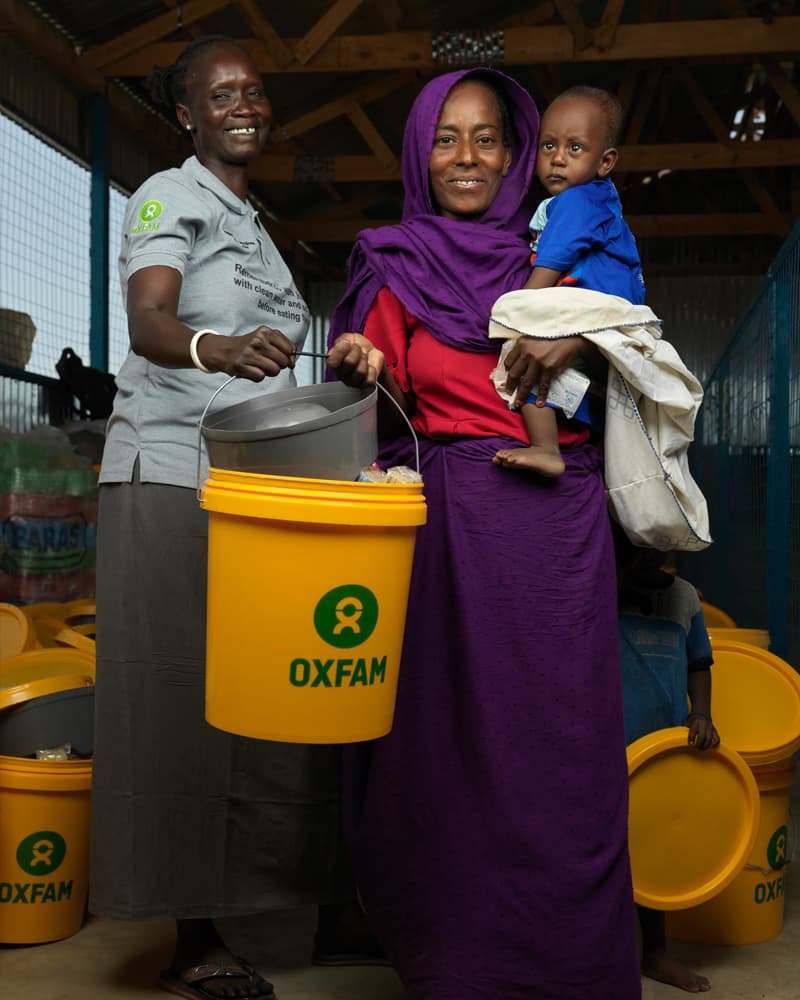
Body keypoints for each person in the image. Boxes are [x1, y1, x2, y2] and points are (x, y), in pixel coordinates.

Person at [326, 68, 642, 999]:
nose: (467, 158)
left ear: (517, 151)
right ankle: (459, 968)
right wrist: (357, 358)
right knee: (445, 752)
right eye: (446, 138)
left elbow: (638, 340)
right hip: (444, 527)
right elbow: (371, 375)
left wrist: (586, 339)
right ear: (421, 155)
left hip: (553, 532)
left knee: (554, 748)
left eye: (488, 138)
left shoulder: (566, 237)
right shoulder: (391, 260)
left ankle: (570, 968)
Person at [90, 35, 377, 1000]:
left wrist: (334, 361)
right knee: (178, 703)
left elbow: (273, 362)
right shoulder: (173, 197)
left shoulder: (258, 231)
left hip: (249, 491)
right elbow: (151, 321)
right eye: (220, 95)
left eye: (253, 90)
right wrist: (214, 347)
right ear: (188, 115)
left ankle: (313, 897)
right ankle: (191, 936)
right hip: (168, 478)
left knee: (280, 695)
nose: (241, 104)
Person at [493, 85, 645, 479]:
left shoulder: (578, 201)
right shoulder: (597, 199)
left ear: (605, 160)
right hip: (608, 312)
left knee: (517, 352)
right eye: (548, 146)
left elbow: (549, 265)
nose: (558, 158)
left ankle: (546, 448)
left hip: (592, 307)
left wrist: (516, 311)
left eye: (574, 148)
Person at [616, 528, 719, 994]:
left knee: (654, 850)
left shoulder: (683, 600)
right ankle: (601, 951)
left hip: (662, 750)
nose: (641, 558)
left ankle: (655, 953)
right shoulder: (602, 590)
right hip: (604, 750)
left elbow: (699, 664)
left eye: (649, 549)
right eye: (629, 549)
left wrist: (700, 713)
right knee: (603, 852)